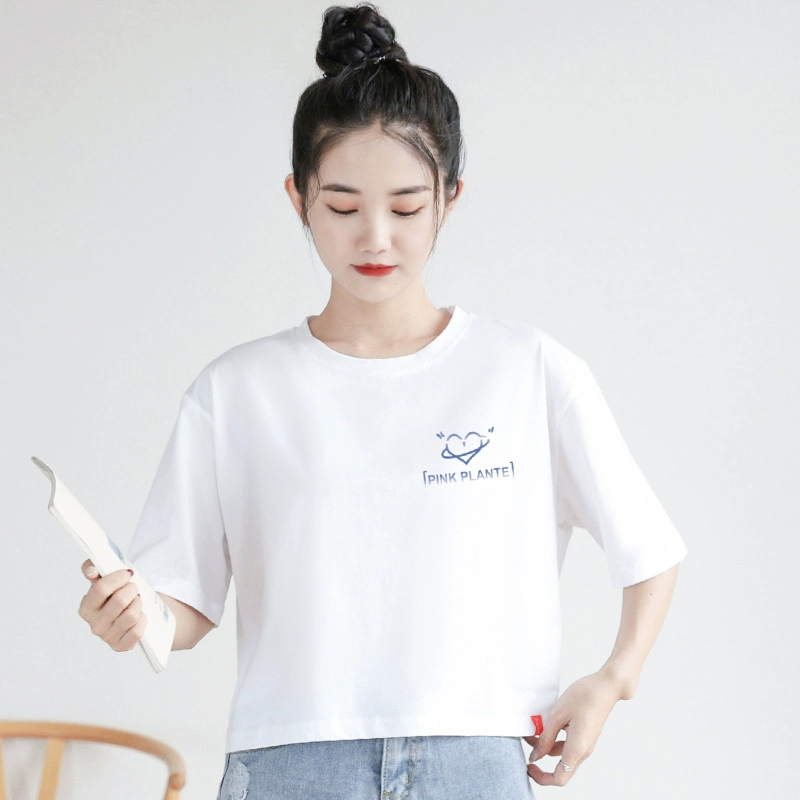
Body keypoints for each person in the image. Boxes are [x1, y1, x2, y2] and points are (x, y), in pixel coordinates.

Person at [77, 4, 687, 798]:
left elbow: (650, 549)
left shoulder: (527, 370)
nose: (374, 237)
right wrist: (132, 615)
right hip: (291, 762)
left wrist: (615, 678)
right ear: (298, 198)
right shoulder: (236, 392)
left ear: (449, 198)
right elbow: (181, 606)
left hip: (473, 761)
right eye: (341, 206)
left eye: (405, 207)